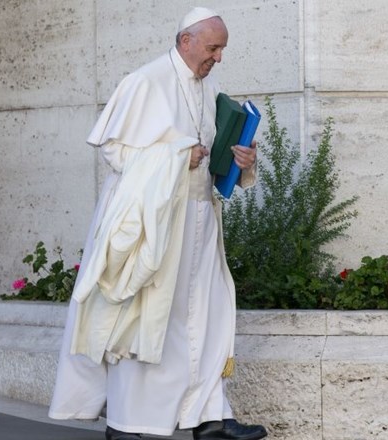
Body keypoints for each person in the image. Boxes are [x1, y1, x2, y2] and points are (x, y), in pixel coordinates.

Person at [47, 7, 267, 440]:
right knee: (146, 319)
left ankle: (208, 418)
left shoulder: (210, 85)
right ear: (186, 41)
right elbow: (115, 152)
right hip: (153, 225)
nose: (218, 57)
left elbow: (213, 150)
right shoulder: (144, 81)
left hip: (202, 221)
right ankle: (128, 424)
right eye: (213, 47)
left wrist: (242, 160)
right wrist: (175, 157)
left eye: (222, 48)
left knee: (206, 314)